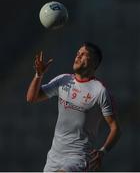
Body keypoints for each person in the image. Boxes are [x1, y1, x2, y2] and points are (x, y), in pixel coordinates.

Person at [26, 42, 121, 172]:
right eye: (78, 53)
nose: (78, 56)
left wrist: (103, 151)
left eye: (84, 54)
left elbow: (115, 128)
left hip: (79, 157)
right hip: (54, 156)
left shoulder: (100, 91)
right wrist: (39, 75)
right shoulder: (63, 80)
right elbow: (32, 98)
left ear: (94, 63)